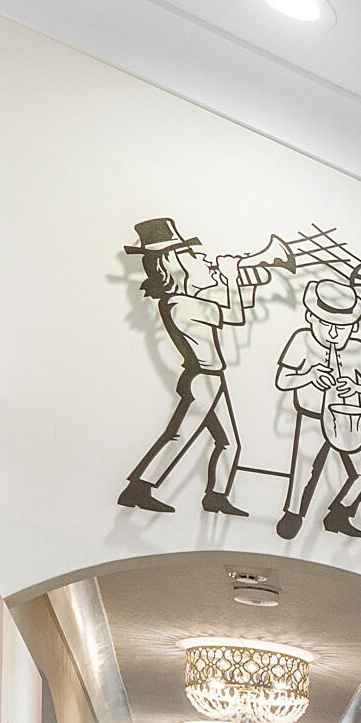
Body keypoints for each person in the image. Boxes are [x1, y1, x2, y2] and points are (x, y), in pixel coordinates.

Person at [118, 218, 278, 514]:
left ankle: (215, 496)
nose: (203, 258)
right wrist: (230, 276)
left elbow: (235, 309)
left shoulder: (191, 300)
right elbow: (232, 314)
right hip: (203, 379)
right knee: (180, 436)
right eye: (193, 256)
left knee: (229, 443)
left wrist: (241, 280)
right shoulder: (182, 303)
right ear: (175, 264)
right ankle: (138, 488)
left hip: (212, 379)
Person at [272, 279, 361, 539]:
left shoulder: (359, 349)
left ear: (354, 326)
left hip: (347, 418)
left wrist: (357, 388)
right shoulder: (302, 340)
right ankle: (293, 515)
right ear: (310, 317)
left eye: (343, 327)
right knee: (305, 468)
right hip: (312, 416)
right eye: (326, 323)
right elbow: (282, 380)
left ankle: (339, 513)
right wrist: (310, 375)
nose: (334, 333)